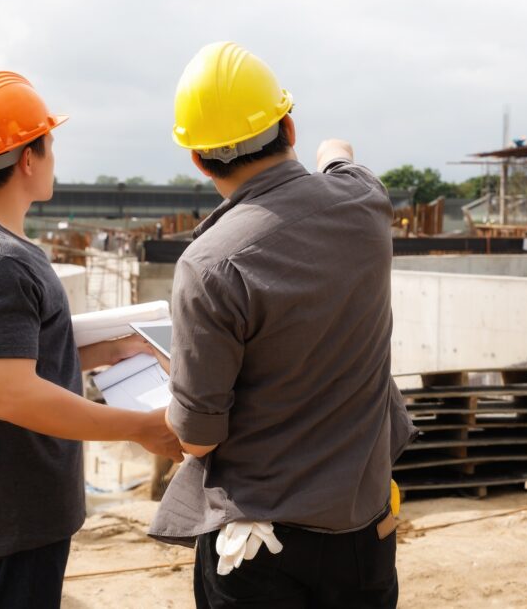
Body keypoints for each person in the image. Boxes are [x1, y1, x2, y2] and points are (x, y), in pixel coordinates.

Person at [149, 42, 416, 608]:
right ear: (287, 125)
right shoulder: (364, 201)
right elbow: (339, 154)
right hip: (363, 535)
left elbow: (198, 436)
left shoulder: (209, 263)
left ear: (198, 160)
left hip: (260, 552)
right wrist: (331, 153)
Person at [0, 70, 182, 609]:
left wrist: (114, 350)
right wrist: (137, 428)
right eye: (49, 142)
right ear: (27, 158)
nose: (54, 155)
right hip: (13, 508)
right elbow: (12, 394)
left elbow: (5, 360)